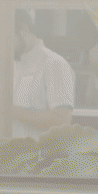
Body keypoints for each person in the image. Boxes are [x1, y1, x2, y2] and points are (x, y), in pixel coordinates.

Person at [11, 9, 75, 139]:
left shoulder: (55, 64)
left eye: (6, 37)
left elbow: (62, 121)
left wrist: (9, 111)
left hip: (40, 157)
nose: (2, 44)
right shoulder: (9, 66)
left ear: (23, 30)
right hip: (9, 156)